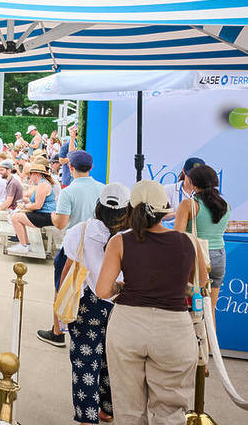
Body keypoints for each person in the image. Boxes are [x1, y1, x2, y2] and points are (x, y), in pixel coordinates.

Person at [97, 179, 208, 425]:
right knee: (170, 412)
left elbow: (103, 290)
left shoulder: (119, 241)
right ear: (164, 210)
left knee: (128, 409)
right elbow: (202, 282)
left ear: (130, 209)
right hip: (174, 329)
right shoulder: (188, 242)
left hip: (127, 325)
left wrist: (121, 287)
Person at [61, 183, 130, 424]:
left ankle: (87, 416)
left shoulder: (81, 231)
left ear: (98, 206)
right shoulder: (132, 237)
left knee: (85, 358)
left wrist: (58, 303)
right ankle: (108, 409)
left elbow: (68, 269)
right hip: (121, 304)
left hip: (87, 302)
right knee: (112, 357)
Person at [38, 150, 105, 348]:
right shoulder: (103, 189)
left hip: (73, 249)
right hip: (99, 248)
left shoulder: (68, 192)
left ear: (70, 167)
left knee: (62, 287)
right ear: (91, 167)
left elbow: (60, 223)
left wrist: (51, 216)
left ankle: (57, 331)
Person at [174, 164, 230, 323]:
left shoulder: (188, 204)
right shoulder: (226, 206)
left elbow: (177, 237)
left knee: (191, 310)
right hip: (219, 257)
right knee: (210, 309)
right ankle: (211, 347)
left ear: (192, 182)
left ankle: (193, 347)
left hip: (196, 259)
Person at [7, 163, 57, 255]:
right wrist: (25, 202)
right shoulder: (43, 183)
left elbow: (38, 205)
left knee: (15, 218)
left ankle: (23, 246)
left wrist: (24, 206)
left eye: (31, 174)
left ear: (36, 174)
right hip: (46, 214)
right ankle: (25, 245)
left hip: (47, 216)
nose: (30, 176)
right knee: (17, 216)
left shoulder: (43, 185)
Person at [163, 157, 204, 223]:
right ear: (183, 171)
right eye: (191, 175)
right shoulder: (169, 189)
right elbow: (161, 216)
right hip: (173, 231)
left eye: (197, 176)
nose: (194, 179)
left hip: (197, 231)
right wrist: (181, 213)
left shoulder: (206, 193)